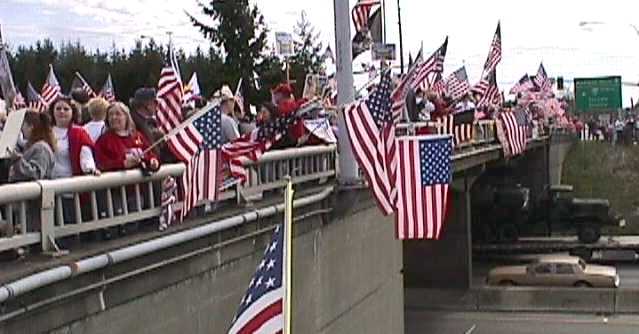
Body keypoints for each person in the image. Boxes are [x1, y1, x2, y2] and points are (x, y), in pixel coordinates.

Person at [94, 102, 159, 173]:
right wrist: (122, 164)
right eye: (110, 115)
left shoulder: (137, 136)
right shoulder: (103, 141)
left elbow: (150, 154)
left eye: (118, 114)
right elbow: (101, 164)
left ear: (126, 117)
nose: (113, 117)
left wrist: (153, 161)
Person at [49, 95, 99, 179]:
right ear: (52, 111)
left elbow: (86, 156)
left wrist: (90, 169)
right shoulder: (45, 132)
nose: (62, 111)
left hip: (71, 183)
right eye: (58, 108)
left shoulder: (79, 133)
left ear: (73, 112)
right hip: (48, 183)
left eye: (66, 109)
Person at [7, 111, 56, 183]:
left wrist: (17, 160)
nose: (22, 129)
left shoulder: (42, 148)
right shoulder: (31, 146)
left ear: (31, 127)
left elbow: (37, 174)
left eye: (24, 125)